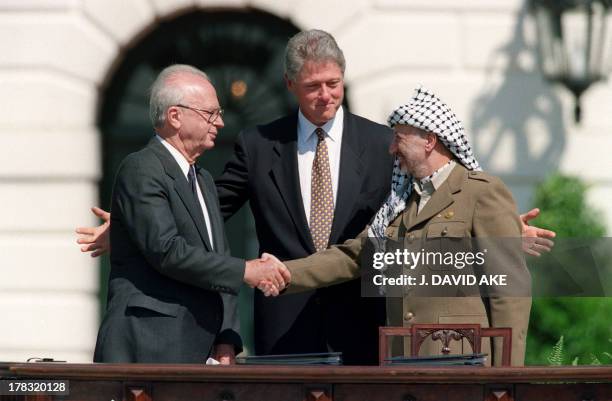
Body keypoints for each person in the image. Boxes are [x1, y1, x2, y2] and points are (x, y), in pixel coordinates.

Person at [78, 31, 554, 365]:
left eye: (334, 84)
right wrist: (131, 225)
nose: (325, 95)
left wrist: (505, 231)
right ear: (290, 86)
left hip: (371, 328)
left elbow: (435, 208)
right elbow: (204, 211)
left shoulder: (378, 142)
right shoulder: (259, 144)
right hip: (287, 329)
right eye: (312, 86)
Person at [262, 86, 539, 366]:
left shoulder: (480, 193)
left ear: (429, 141)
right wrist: (284, 273)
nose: (392, 149)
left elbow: (509, 291)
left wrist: (507, 376)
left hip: (462, 365)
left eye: (399, 139)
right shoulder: (399, 202)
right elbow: (354, 256)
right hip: (402, 363)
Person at [93, 64, 289, 364]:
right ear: (175, 116)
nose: (221, 122)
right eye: (211, 113)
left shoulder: (204, 180)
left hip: (199, 351)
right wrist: (247, 270)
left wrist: (227, 337)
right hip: (148, 347)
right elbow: (167, 251)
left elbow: (216, 254)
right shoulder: (141, 168)